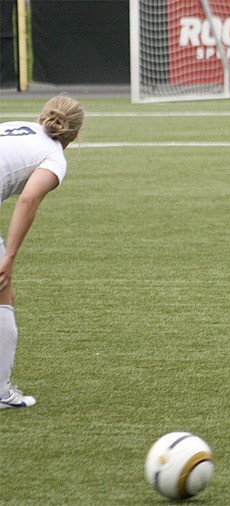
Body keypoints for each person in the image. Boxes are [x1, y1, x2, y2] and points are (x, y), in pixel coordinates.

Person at [0, 96, 84, 410]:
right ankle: (1, 393)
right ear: (74, 136)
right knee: (2, 294)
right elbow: (28, 201)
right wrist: (9, 257)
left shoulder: (17, 128)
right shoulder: (54, 157)